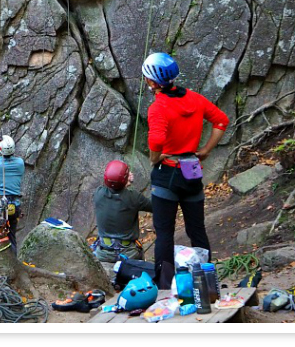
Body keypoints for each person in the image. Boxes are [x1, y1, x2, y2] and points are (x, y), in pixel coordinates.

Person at [142, 52, 229, 291]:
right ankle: (207, 282)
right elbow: (221, 121)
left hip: (167, 172)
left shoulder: (158, 107)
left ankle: (163, 286)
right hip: (192, 170)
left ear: (152, 82)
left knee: (164, 233)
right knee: (196, 230)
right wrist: (205, 150)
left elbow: (156, 140)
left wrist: (154, 158)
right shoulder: (195, 99)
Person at [92, 160, 153, 262]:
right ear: (125, 180)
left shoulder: (98, 194)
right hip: (128, 253)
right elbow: (154, 206)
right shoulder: (134, 197)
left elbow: (112, 187)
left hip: (104, 252)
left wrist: (123, 182)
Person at [0, 135, 25, 254]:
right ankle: (13, 260)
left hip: (1, 206)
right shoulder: (20, 163)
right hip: (15, 205)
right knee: (11, 235)